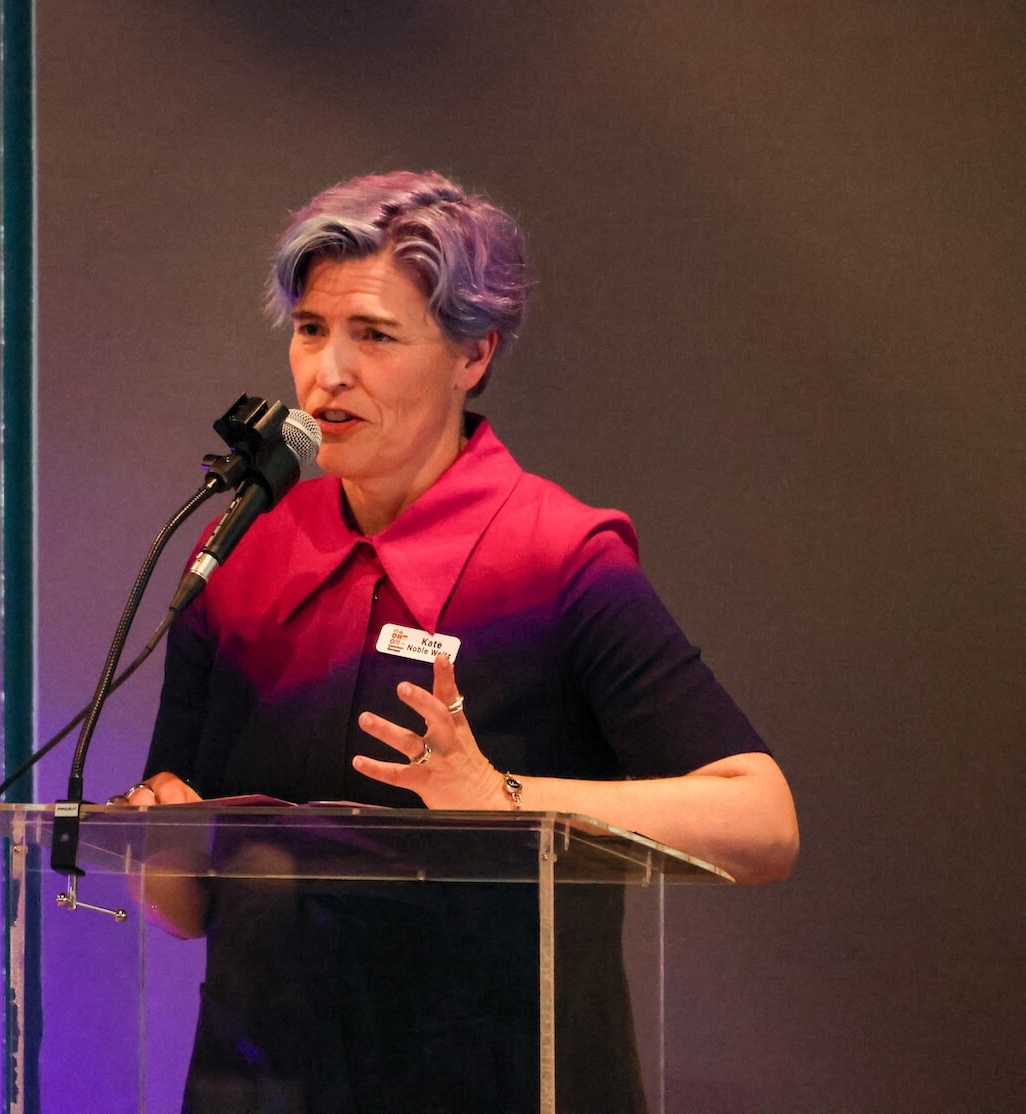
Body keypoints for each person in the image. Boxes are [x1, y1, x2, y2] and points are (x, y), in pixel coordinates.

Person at [125, 170, 799, 1113]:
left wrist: (502, 799)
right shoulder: (240, 550)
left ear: (473, 354)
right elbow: (186, 911)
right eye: (312, 329)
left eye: (375, 336)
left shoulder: (556, 555)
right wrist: (162, 832)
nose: (328, 374)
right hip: (265, 1083)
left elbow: (761, 820)